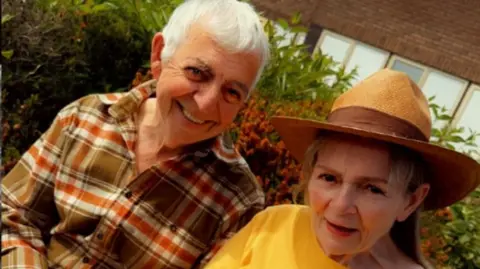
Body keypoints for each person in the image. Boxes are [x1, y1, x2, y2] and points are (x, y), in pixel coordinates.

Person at [1, 0, 270, 268]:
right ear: (160, 56)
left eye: (232, 92)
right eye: (197, 72)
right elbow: (13, 213)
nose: (205, 104)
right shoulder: (86, 117)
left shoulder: (238, 201)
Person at [204, 69, 480, 269]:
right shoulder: (275, 224)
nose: (340, 205)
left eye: (372, 188)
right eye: (329, 178)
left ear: (411, 200)